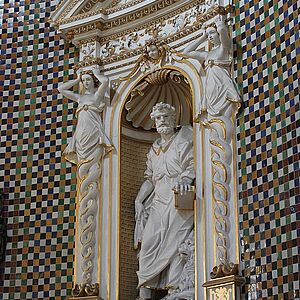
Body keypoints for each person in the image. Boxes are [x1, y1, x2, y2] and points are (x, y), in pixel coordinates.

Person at [134, 102, 194, 299]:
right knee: (148, 245)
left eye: (166, 117)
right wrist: (139, 200)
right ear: (154, 122)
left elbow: (194, 162)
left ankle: (175, 290)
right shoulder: (154, 149)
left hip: (179, 199)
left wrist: (185, 178)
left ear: (173, 118)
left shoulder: (184, 136)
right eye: (158, 118)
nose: (162, 121)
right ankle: (144, 293)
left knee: (176, 243)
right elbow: (150, 179)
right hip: (159, 202)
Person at [183, 18, 241, 118]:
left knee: (225, 117)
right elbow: (186, 52)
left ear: (218, 34)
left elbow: (222, 30)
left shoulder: (224, 48)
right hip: (211, 88)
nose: (210, 37)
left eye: (212, 33)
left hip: (223, 86)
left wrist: (219, 22)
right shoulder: (207, 55)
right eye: (208, 35)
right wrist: (203, 37)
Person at [58, 66, 113, 164]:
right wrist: (77, 79)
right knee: (81, 157)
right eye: (83, 80)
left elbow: (105, 81)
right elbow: (61, 89)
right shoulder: (79, 98)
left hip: (92, 129)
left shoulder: (97, 96)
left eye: (88, 79)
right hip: (80, 131)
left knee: (92, 158)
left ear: (93, 81)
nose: (86, 82)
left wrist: (96, 74)